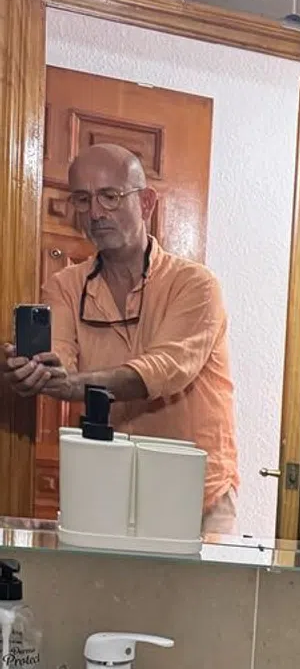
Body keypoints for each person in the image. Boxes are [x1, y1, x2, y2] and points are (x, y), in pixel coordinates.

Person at [1, 142, 240, 536]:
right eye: (82, 199)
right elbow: (58, 360)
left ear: (146, 203)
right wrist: (29, 371)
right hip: (108, 491)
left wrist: (73, 384)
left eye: (110, 196)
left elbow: (165, 371)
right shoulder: (64, 286)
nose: (95, 213)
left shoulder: (195, 284)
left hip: (196, 496)